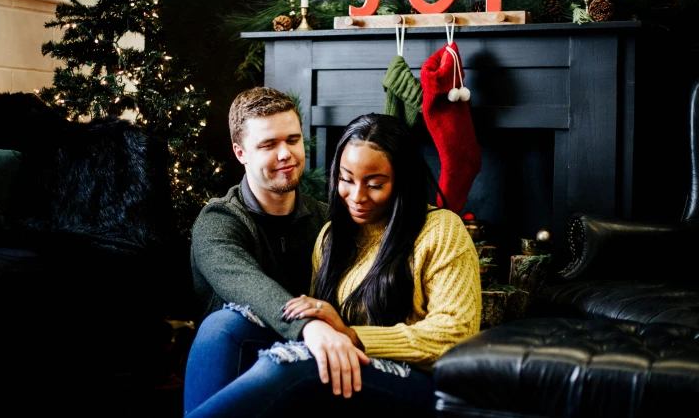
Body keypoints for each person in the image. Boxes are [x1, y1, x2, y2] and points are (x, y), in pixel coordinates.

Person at [186, 113, 482, 417]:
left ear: (402, 180)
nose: (356, 196)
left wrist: (352, 336)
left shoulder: (441, 230)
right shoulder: (332, 235)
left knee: (294, 363)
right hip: (352, 370)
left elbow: (455, 336)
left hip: (418, 382)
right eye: (346, 179)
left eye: (375, 184)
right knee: (223, 326)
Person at [183, 87, 328, 413]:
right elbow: (246, 285)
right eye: (268, 144)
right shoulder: (218, 221)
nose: (285, 154)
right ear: (240, 153)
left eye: (293, 139)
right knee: (225, 323)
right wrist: (310, 326)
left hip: (308, 361)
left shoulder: (325, 218)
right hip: (238, 363)